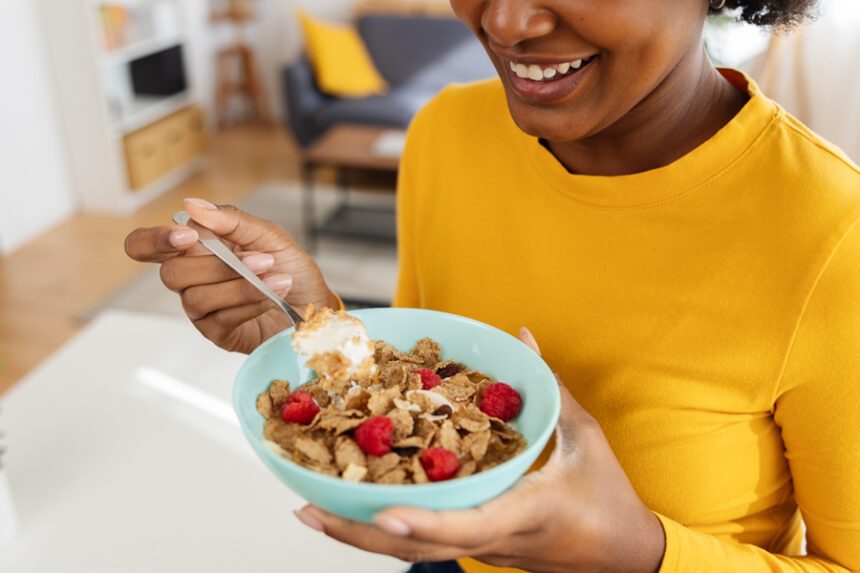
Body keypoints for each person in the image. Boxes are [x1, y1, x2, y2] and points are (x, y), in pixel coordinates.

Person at [124, 0, 860, 571]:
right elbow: (432, 377)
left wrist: (633, 550)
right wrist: (319, 328)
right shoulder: (447, 132)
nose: (504, 21)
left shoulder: (833, 237)